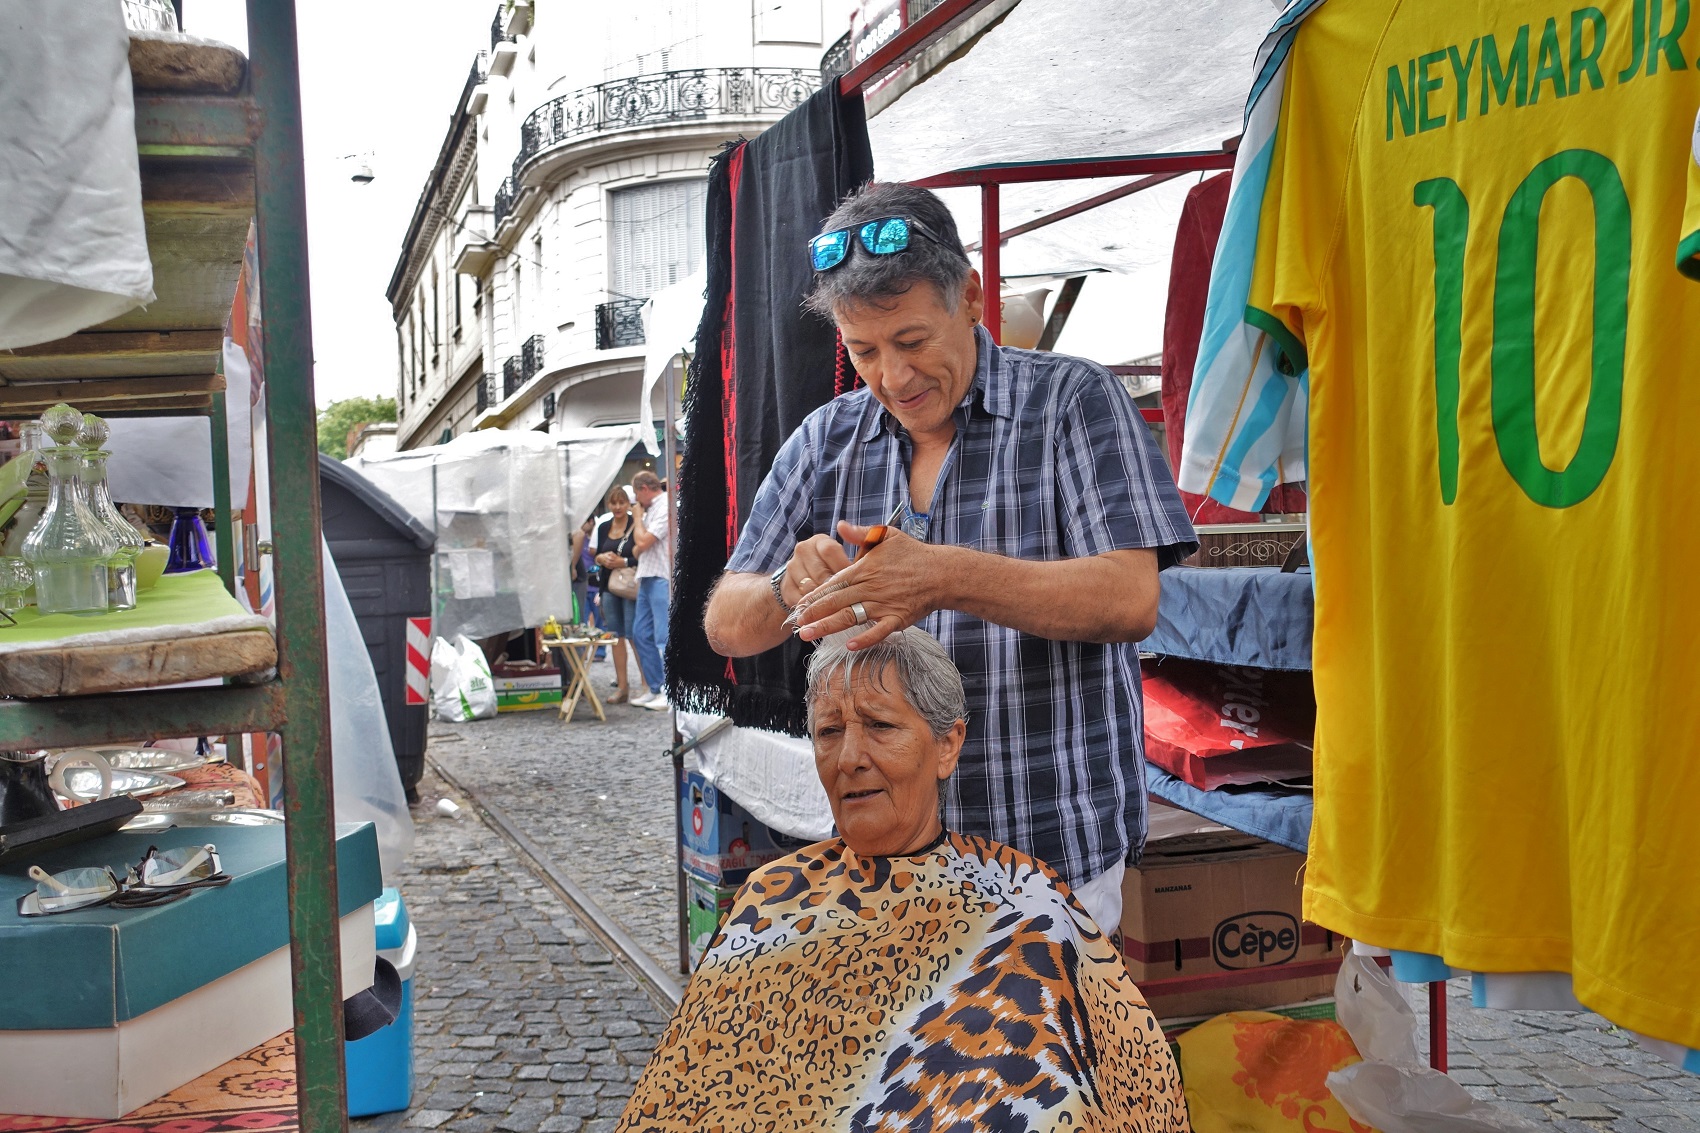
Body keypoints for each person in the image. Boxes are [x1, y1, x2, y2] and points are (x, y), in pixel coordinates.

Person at [702, 181, 1196, 930]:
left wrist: (942, 576)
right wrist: (786, 585)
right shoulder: (826, 437)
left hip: (1050, 861)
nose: (892, 378)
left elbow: (1129, 599)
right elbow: (726, 625)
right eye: (864, 352)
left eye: (912, 342)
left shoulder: (1072, 402)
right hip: (883, 869)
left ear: (969, 297)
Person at [617, 629, 1189, 1133]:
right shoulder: (770, 900)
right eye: (829, 731)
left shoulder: (1027, 905)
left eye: (880, 726)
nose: (849, 757)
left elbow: (1127, 1086)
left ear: (947, 745)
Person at [592, 487, 642, 705]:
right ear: (609, 505)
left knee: (634, 635)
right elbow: (596, 554)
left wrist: (624, 562)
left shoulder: (635, 524)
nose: (618, 507)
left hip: (630, 585)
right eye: (614, 503)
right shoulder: (604, 526)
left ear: (628, 503)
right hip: (609, 586)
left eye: (622, 502)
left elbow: (642, 554)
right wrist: (602, 559)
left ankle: (648, 684)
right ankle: (622, 687)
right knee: (615, 636)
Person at [629, 470, 672, 711]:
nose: (636, 501)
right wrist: (640, 541)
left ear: (644, 489)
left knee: (662, 635)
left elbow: (642, 543)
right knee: (640, 634)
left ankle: (668, 690)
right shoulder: (653, 509)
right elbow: (637, 548)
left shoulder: (664, 506)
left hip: (660, 576)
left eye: (637, 494)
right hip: (647, 575)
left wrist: (637, 520)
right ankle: (656, 687)